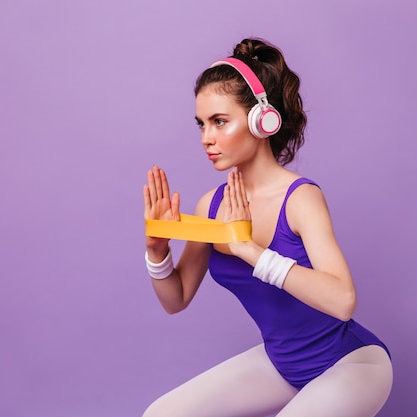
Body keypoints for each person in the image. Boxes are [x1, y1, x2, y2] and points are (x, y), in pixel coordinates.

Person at [142, 38, 392, 417]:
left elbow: (343, 301)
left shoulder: (300, 198)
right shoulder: (210, 206)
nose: (206, 138)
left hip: (352, 364)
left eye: (220, 121)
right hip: (282, 365)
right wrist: (158, 253)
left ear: (263, 120)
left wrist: (247, 248)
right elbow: (175, 300)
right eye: (202, 124)